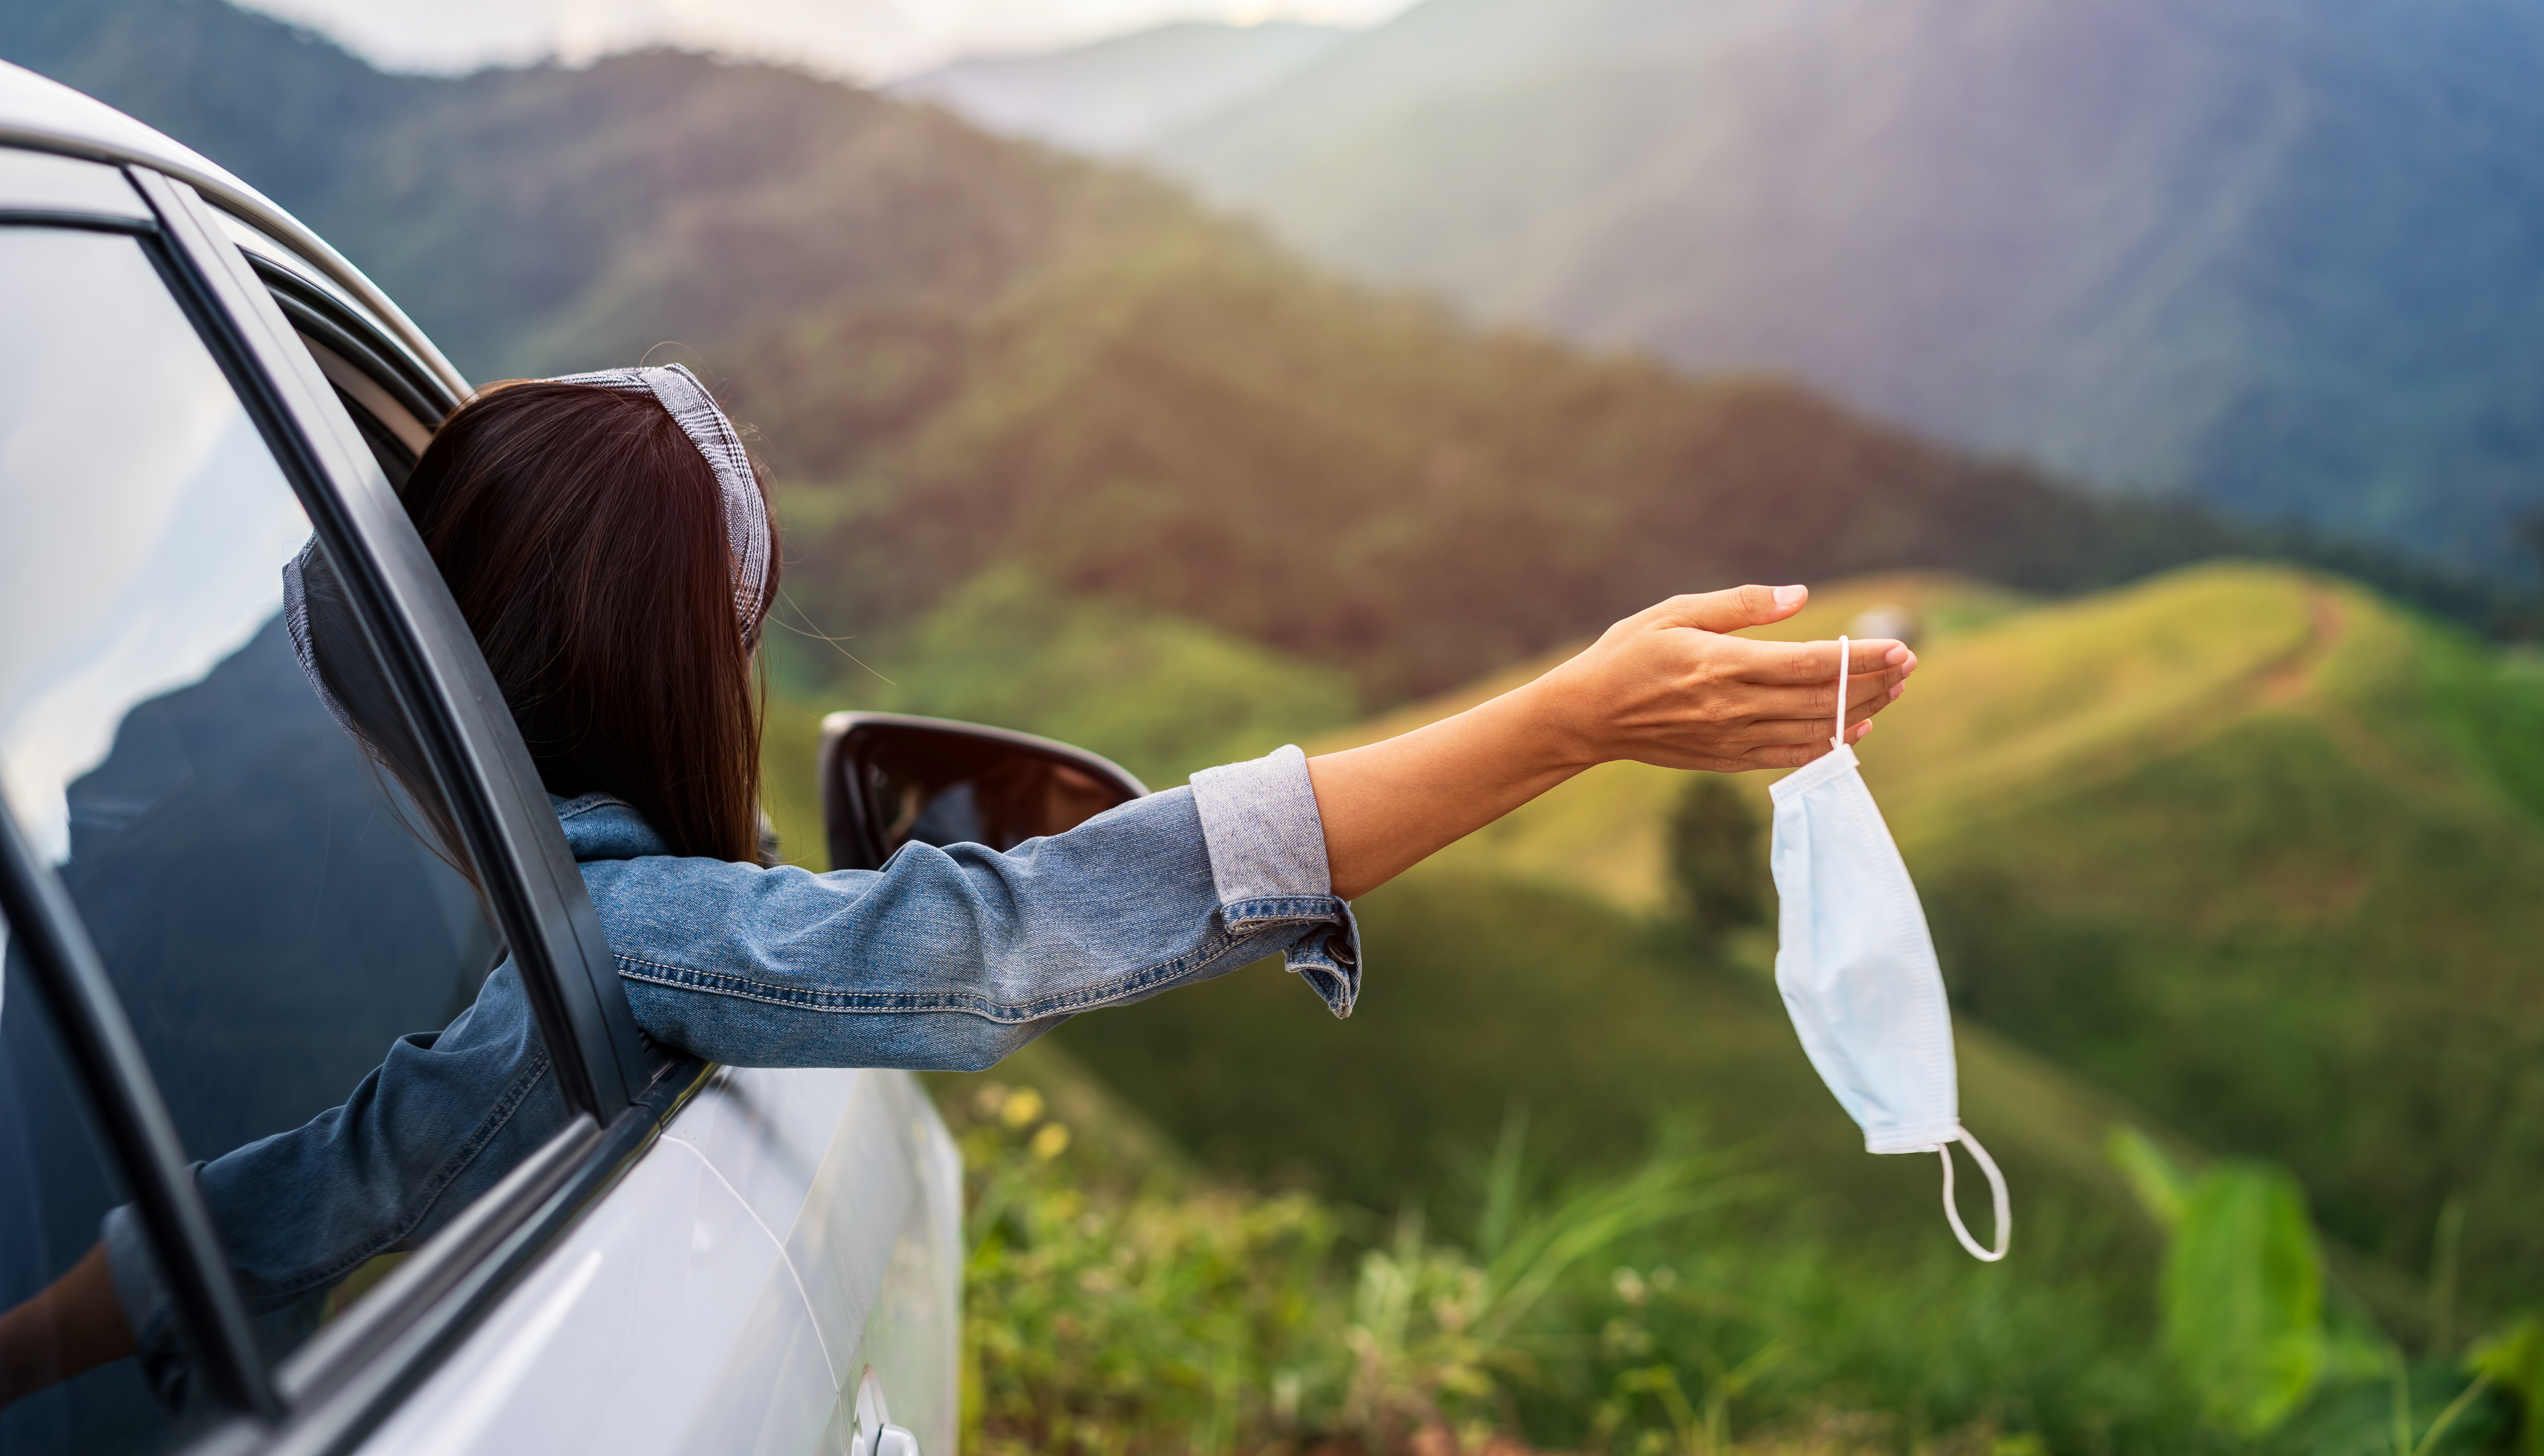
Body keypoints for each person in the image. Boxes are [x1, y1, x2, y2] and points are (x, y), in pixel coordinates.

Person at [0, 366, 1914, 1406]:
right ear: (690, 684)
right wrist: (1564, 720)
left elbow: (292, 1195)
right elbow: (1009, 933)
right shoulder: (649, 927)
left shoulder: (557, 907)